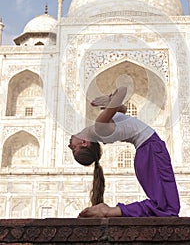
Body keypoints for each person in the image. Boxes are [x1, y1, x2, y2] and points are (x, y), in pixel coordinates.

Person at [68, 86, 180, 218]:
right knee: (167, 207)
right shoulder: (99, 127)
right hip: (150, 150)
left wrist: (112, 104)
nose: (69, 145)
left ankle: (111, 211)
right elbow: (123, 90)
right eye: (73, 149)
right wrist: (110, 99)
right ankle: (109, 211)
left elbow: (122, 110)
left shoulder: (100, 127)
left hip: (147, 151)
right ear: (84, 143)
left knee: (166, 206)